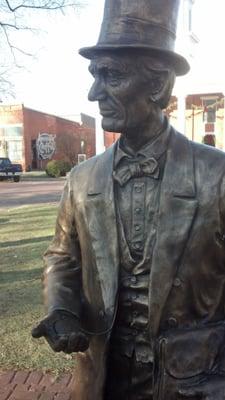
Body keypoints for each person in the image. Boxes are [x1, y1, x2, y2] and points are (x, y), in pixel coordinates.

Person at [32, 1, 225, 399]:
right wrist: (61, 310)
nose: (93, 93)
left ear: (157, 85)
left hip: (194, 383)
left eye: (111, 76)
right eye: (94, 76)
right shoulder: (82, 179)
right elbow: (62, 258)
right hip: (103, 378)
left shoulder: (216, 175)